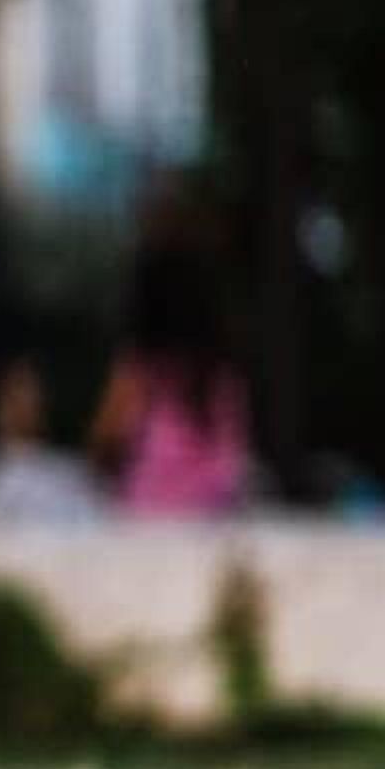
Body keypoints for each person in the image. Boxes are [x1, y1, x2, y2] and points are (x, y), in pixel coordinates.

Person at [88, 175, 251, 515]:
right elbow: (233, 461)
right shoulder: (222, 375)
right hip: (214, 518)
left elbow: (106, 436)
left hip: (151, 517)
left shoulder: (142, 369)